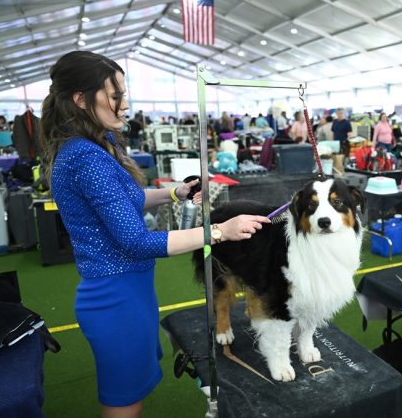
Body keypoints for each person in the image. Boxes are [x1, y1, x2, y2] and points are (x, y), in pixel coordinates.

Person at [39, 51, 270, 418]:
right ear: (80, 99)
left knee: (133, 394)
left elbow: (123, 201)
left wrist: (173, 192)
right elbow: (136, 241)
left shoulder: (100, 143)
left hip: (132, 290)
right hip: (115, 299)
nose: (125, 103)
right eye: (115, 95)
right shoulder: (84, 157)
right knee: (124, 404)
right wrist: (219, 232)